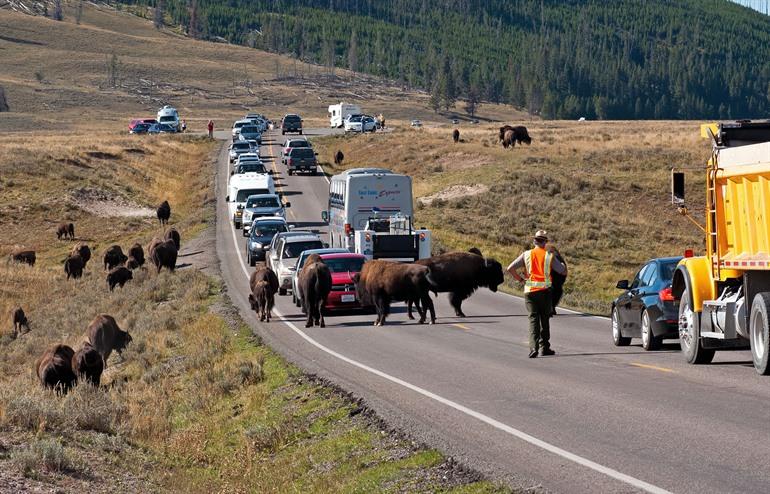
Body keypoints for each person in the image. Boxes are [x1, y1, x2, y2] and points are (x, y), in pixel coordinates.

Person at [507, 230, 568, 358]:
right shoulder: (549, 256)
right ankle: (545, 347)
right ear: (545, 242)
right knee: (544, 319)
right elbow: (562, 271)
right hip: (545, 292)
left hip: (530, 292)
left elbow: (510, 269)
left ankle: (533, 348)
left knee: (533, 319)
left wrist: (521, 280)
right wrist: (563, 264)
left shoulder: (526, 254)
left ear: (534, 241)